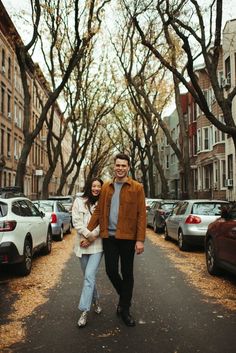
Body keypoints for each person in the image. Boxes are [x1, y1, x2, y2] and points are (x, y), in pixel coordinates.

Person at [87, 153, 146, 327]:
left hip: (128, 238)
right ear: (114, 166)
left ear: (128, 167)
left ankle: (125, 309)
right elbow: (98, 211)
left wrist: (140, 239)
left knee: (127, 273)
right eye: (118, 165)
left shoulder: (137, 187)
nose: (120, 168)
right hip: (109, 237)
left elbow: (141, 215)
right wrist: (88, 231)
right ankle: (124, 297)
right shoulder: (106, 186)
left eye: (123, 165)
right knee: (111, 271)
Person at [72, 177, 103, 328]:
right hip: (81, 245)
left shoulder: (104, 203)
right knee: (88, 278)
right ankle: (96, 299)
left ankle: (84, 311)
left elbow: (103, 224)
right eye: (94, 186)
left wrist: (90, 238)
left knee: (89, 276)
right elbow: (76, 221)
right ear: (89, 187)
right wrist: (86, 235)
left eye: (99, 186)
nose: (96, 188)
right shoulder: (79, 201)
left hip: (97, 246)